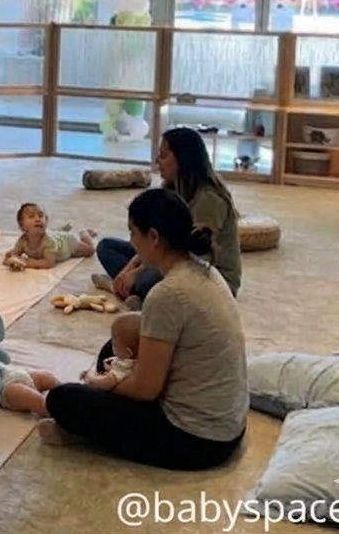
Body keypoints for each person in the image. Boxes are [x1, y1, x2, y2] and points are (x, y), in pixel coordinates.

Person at [41, 188, 248, 471]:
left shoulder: (168, 293)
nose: (131, 242)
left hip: (197, 440)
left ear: (153, 237)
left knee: (63, 399)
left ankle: (87, 426)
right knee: (110, 350)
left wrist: (104, 384)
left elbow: (145, 390)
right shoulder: (206, 271)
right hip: (228, 423)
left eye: (133, 233)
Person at [92, 126, 242, 309]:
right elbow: (153, 242)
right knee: (106, 247)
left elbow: (189, 257)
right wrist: (128, 269)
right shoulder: (171, 190)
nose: (157, 161)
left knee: (150, 279)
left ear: (183, 159)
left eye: (163, 156)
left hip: (205, 274)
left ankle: (130, 290)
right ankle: (131, 289)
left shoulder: (208, 199)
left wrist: (137, 273)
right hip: (169, 260)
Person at [2, 202, 97, 270]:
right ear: (22, 227)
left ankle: (85, 233)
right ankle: (60, 230)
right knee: (56, 233)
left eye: (40, 216)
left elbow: (48, 263)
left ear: (46, 221)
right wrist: (11, 259)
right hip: (56, 236)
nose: (37, 219)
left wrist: (27, 262)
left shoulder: (49, 241)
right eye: (31, 216)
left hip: (68, 243)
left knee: (90, 250)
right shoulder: (22, 241)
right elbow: (15, 254)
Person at [79, 313, 139, 391]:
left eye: (114, 345)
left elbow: (108, 382)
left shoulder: (124, 366)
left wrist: (90, 377)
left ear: (128, 353)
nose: (112, 347)